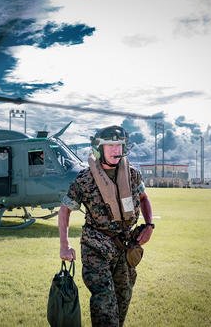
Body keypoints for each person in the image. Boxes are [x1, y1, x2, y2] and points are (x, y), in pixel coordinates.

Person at [58, 125, 154, 327]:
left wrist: (149, 225)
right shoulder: (84, 180)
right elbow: (65, 210)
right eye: (110, 145)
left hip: (125, 249)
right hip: (96, 249)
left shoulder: (133, 175)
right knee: (104, 300)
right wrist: (64, 245)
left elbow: (144, 198)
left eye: (119, 145)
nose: (116, 150)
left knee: (122, 299)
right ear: (99, 148)